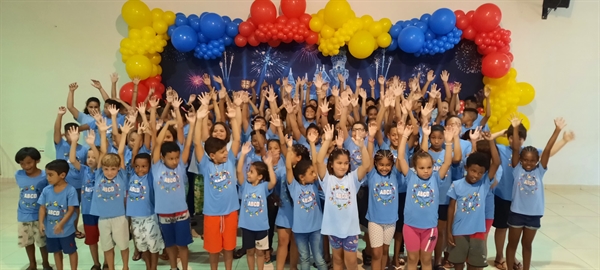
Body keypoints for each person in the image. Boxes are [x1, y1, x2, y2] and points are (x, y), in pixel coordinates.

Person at [505, 117, 565, 270]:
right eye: (525, 160)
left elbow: (547, 149)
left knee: (527, 245)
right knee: (512, 244)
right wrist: (516, 128)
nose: (528, 163)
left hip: (534, 214)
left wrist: (557, 130)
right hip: (517, 213)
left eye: (532, 161)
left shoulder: (540, 170)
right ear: (520, 160)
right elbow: (516, 148)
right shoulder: (516, 168)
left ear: (538, 161)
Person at [397, 123, 455, 270]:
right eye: (422, 168)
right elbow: (401, 158)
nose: (426, 171)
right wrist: (404, 136)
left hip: (429, 228)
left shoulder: (435, 178)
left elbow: (447, 162)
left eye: (429, 167)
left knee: (426, 260)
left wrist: (448, 142)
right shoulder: (410, 177)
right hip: (410, 227)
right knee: (412, 259)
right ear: (415, 168)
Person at [316, 124, 372, 270]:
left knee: (351, 263)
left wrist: (362, 147)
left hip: (350, 230)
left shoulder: (353, 179)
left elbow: (366, 165)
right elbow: (318, 161)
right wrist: (328, 141)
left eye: (346, 163)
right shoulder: (327, 179)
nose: (343, 166)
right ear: (332, 165)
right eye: (339, 163)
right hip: (333, 229)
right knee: (337, 261)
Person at [193, 102, 241, 270]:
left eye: (225, 150)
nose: (225, 153)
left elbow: (236, 139)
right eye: (221, 152)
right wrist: (199, 120)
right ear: (212, 155)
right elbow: (198, 144)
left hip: (231, 211)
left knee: (229, 247)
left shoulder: (230, 160)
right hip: (212, 213)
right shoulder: (205, 165)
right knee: (213, 249)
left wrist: (234, 119)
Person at [151, 98, 196, 270]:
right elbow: (156, 145)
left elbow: (187, 144)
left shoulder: (181, 166)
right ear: (163, 158)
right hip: (163, 213)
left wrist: (191, 126)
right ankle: (173, 267)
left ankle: (184, 267)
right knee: (169, 244)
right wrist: (165, 126)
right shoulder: (156, 167)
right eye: (171, 158)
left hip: (181, 213)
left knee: (182, 244)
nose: (174, 161)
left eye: (176, 158)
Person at [446, 132, 501, 270]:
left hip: (477, 232)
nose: (476, 175)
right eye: (473, 171)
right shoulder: (456, 185)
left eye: (480, 172)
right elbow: (451, 209)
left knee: (476, 265)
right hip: (458, 231)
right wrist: (448, 231)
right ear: (466, 168)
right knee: (458, 264)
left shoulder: (484, 184)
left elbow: (496, 162)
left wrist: (491, 142)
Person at [90, 118, 131, 270]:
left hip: (119, 217)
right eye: (106, 169)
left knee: (123, 244)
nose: (109, 172)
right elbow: (103, 153)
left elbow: (120, 152)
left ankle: (125, 266)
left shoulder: (121, 175)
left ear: (118, 169)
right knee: (107, 246)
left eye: (113, 169)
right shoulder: (99, 175)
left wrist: (125, 134)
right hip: (103, 218)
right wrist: (102, 132)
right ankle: (111, 267)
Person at [68, 129, 107, 270]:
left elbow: (101, 161)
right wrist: (73, 142)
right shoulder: (84, 170)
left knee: (106, 239)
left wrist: (92, 145)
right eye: (88, 157)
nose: (90, 159)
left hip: (102, 211)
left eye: (93, 157)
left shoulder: (102, 171)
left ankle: (107, 263)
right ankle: (96, 263)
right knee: (91, 240)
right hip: (88, 213)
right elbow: (72, 160)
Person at [237, 142, 278, 270]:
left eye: (251, 172)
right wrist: (243, 155)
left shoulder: (264, 187)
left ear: (260, 176)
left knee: (260, 252)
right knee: (250, 252)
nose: (248, 174)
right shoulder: (245, 186)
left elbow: (273, 181)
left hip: (261, 227)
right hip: (247, 226)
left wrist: (269, 165)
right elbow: (239, 170)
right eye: (248, 171)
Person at [54, 106, 89, 239]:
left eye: (76, 132)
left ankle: (73, 229)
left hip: (79, 184)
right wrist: (59, 115)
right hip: (63, 184)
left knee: (75, 209)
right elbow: (56, 131)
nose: (73, 135)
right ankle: (61, 227)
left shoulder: (83, 150)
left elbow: (84, 167)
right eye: (70, 132)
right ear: (65, 134)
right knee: (62, 208)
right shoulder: (60, 145)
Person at [38, 160, 79, 270]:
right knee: (56, 251)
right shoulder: (46, 190)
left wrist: (61, 224)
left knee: (71, 251)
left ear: (62, 175)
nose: (48, 178)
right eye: (47, 174)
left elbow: (71, 210)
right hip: (51, 230)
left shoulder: (70, 190)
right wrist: (41, 222)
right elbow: (42, 207)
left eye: (51, 175)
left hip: (66, 230)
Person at [15, 147, 52, 270]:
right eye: (22, 163)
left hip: (39, 215)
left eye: (29, 162)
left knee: (42, 242)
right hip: (23, 214)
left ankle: (45, 263)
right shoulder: (18, 175)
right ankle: (32, 264)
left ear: (37, 161)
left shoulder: (44, 176)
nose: (26, 166)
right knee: (27, 241)